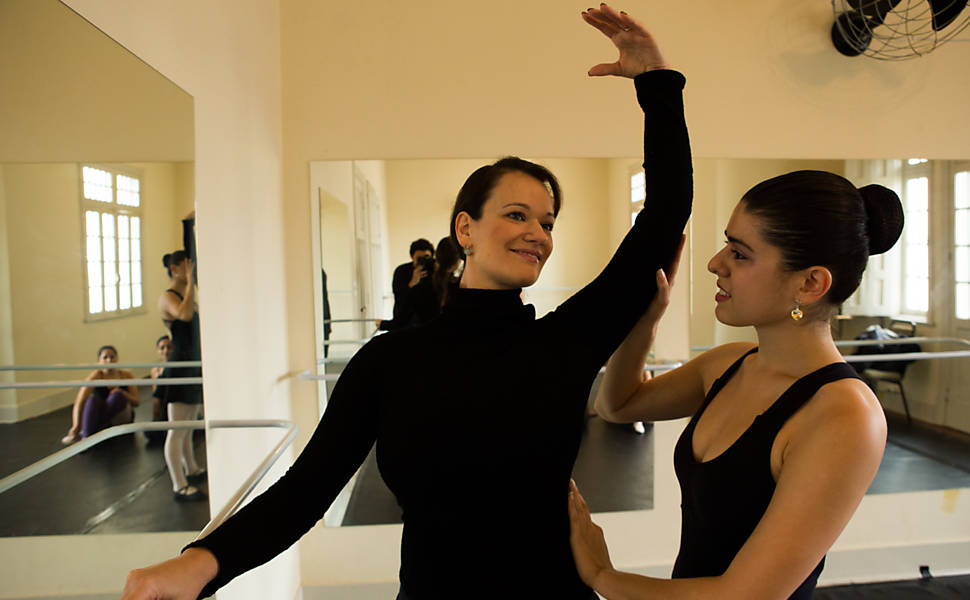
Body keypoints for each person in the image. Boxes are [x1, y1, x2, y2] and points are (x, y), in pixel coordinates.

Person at [121, 5, 691, 598]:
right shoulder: (388, 362)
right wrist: (201, 562)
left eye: (547, 222)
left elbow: (665, 215)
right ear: (464, 229)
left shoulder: (565, 342)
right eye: (516, 215)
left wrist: (656, 82)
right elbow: (306, 491)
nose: (537, 234)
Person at [567, 168, 904, 596]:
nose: (715, 263)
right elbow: (619, 405)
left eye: (740, 254)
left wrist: (602, 576)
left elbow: (746, 595)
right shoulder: (730, 363)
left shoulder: (844, 414)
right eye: (727, 243)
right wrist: (646, 319)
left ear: (810, 283)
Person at [158, 250, 206, 502]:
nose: (192, 272)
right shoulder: (168, 297)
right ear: (175, 268)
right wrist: (189, 283)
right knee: (177, 428)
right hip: (179, 365)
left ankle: (193, 468)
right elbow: (185, 315)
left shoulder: (187, 295)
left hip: (193, 365)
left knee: (188, 425)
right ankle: (179, 483)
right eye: (187, 267)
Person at [60, 345, 138, 444]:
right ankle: (88, 436)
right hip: (103, 418)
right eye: (105, 357)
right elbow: (80, 402)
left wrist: (123, 393)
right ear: (99, 361)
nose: (109, 360)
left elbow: (136, 402)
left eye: (112, 357)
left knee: (116, 396)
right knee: (92, 400)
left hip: (121, 416)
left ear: (117, 358)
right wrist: (76, 426)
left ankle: (88, 434)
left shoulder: (126, 375)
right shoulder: (96, 376)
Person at [378, 238, 435, 331]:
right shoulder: (401, 272)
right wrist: (412, 283)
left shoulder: (436, 272)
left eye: (426, 258)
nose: (423, 261)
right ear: (412, 257)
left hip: (428, 324)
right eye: (419, 259)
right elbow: (400, 299)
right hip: (405, 324)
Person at [144, 335, 173, 446]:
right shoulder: (155, 369)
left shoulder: (178, 368)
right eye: (162, 348)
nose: (166, 350)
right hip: (162, 406)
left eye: (169, 347)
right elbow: (156, 395)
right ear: (158, 351)